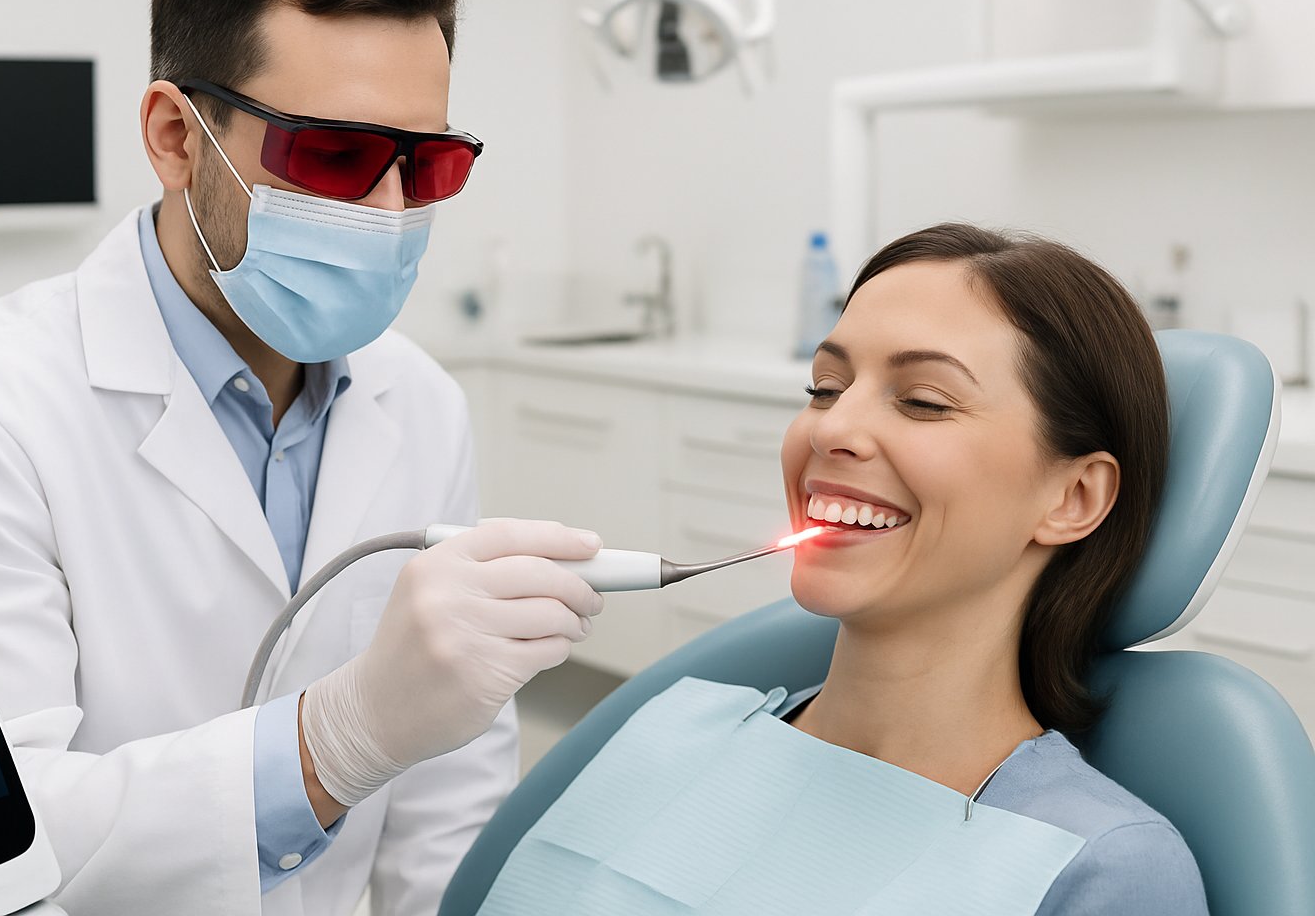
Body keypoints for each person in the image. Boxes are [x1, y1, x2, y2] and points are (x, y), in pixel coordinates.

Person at [0, 0, 604, 915]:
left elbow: (447, 804)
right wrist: (330, 742)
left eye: (425, 165)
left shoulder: (419, 402)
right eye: (332, 155)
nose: (386, 215)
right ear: (175, 136)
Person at [477, 223, 1210, 914]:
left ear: (1072, 497)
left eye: (923, 401)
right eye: (825, 389)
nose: (831, 429)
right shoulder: (675, 729)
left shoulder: (1100, 866)